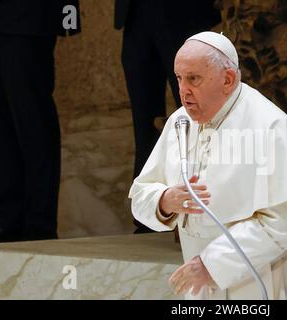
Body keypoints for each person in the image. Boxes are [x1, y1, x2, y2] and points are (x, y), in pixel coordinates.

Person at [129, 31, 287, 299]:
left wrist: (214, 264)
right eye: (179, 78)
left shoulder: (269, 126)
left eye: (193, 79)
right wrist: (164, 200)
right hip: (206, 277)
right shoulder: (180, 122)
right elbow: (139, 196)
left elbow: (286, 218)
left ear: (228, 79)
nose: (183, 90)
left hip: (271, 274)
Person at [114, 0, 220, 233]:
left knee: (199, 111)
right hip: (136, 11)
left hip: (183, 11)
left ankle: (205, 209)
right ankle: (149, 213)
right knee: (144, 120)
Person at [0, 0, 80, 242]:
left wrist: (68, 17)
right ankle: (6, 220)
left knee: (33, 123)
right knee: (1, 127)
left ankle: (39, 224)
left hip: (29, 18)